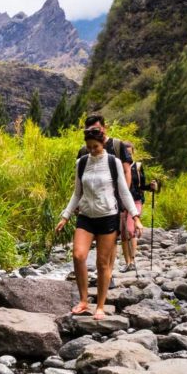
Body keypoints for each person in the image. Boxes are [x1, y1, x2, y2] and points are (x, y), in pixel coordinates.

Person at [55, 127, 144, 320]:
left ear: (103, 143)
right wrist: (65, 216)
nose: (92, 150)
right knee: (78, 256)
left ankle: (101, 306)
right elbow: (77, 193)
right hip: (86, 216)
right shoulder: (82, 163)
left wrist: (135, 217)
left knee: (103, 264)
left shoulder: (114, 162)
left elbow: (123, 192)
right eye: (88, 147)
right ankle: (83, 300)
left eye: (95, 147)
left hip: (107, 216)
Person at [76, 115, 132, 288]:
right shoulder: (85, 151)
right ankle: (102, 273)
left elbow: (126, 171)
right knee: (84, 245)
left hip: (114, 202)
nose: (93, 132)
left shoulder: (117, 146)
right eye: (90, 129)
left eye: (96, 129)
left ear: (104, 128)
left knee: (111, 240)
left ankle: (108, 272)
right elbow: (81, 179)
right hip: (90, 203)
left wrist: (123, 200)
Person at [120, 160, 159, 271]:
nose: (127, 155)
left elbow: (141, 186)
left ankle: (132, 261)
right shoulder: (117, 165)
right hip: (122, 202)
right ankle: (127, 263)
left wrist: (151, 187)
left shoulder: (138, 166)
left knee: (130, 229)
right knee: (123, 233)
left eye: (129, 152)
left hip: (136, 200)